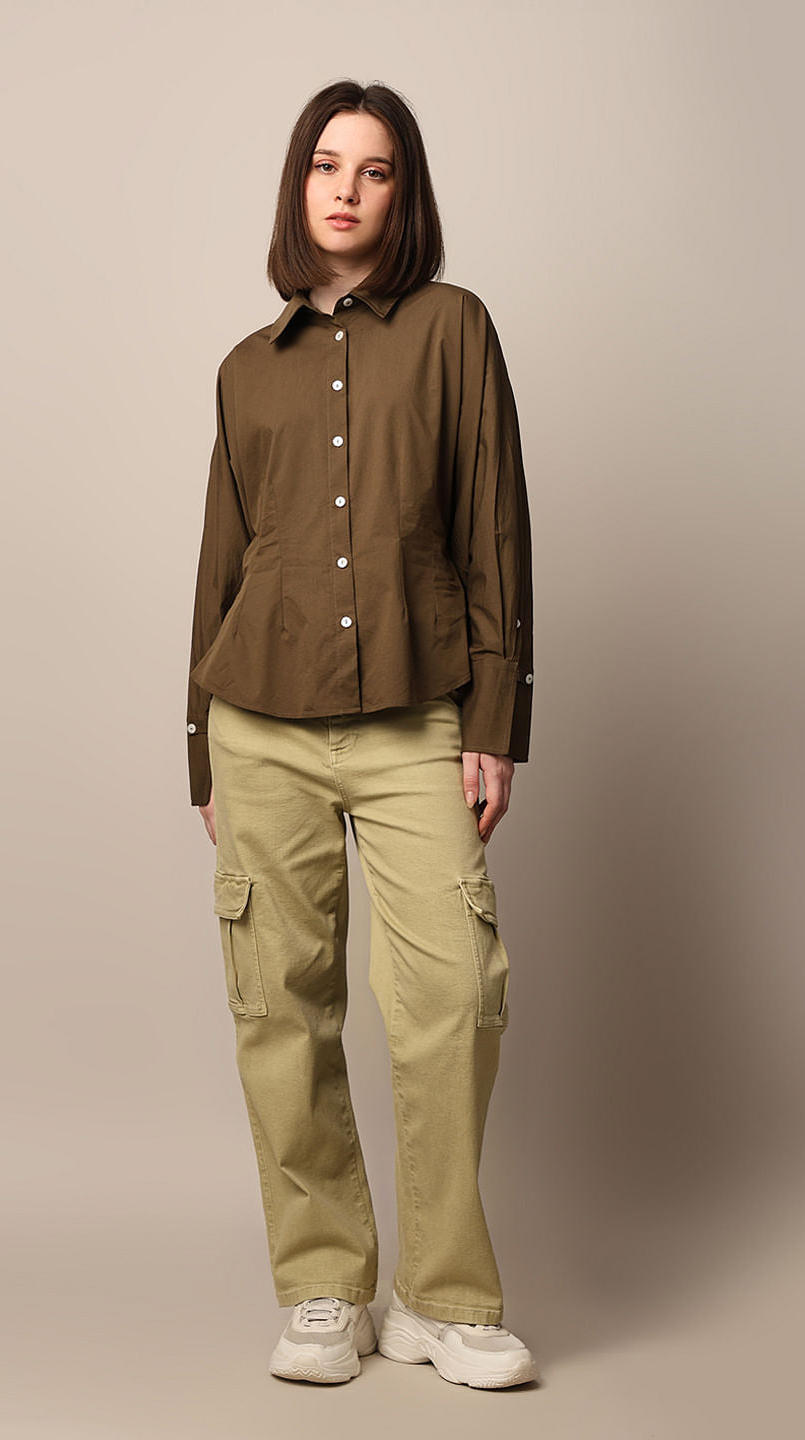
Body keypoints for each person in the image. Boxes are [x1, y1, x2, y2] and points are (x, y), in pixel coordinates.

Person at [185, 79, 539, 1390]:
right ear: (299, 185)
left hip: (415, 716)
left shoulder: (454, 330)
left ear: (404, 193)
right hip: (259, 727)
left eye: (374, 169)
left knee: (454, 994)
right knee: (279, 1004)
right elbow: (222, 565)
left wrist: (495, 717)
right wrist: (199, 746)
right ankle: (325, 1286)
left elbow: (493, 525)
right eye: (326, 165)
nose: (346, 189)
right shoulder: (246, 369)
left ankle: (443, 1298)